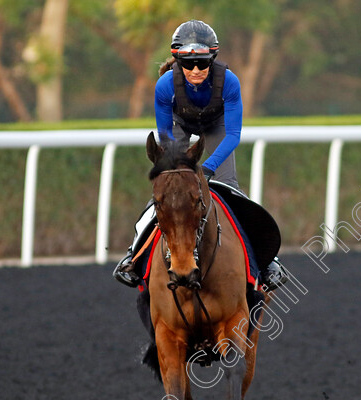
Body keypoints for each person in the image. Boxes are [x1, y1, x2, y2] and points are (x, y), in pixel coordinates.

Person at [113, 19, 287, 290]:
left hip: (217, 127)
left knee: (230, 188)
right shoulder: (164, 86)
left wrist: (206, 167)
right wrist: (179, 166)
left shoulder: (229, 81)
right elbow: (166, 136)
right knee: (167, 192)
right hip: (179, 126)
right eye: (187, 63)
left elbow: (232, 136)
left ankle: (268, 262)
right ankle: (132, 255)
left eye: (203, 63)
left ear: (212, 58)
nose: (195, 70)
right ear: (177, 61)